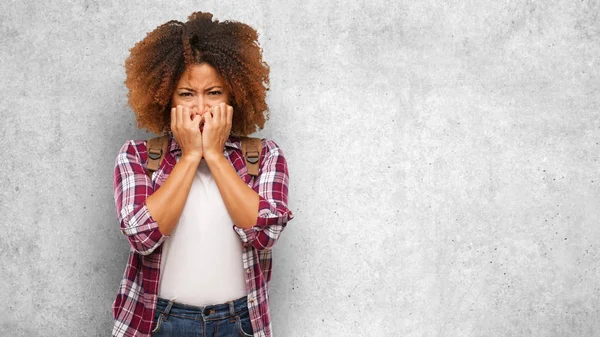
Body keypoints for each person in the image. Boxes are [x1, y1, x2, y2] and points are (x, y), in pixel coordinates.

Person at [111, 11, 293, 337]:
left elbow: (264, 234)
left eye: (214, 93)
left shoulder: (265, 155)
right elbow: (141, 236)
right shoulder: (136, 156)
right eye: (186, 94)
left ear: (233, 97)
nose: (200, 107)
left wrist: (215, 154)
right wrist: (191, 155)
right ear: (166, 99)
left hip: (238, 323)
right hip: (160, 322)